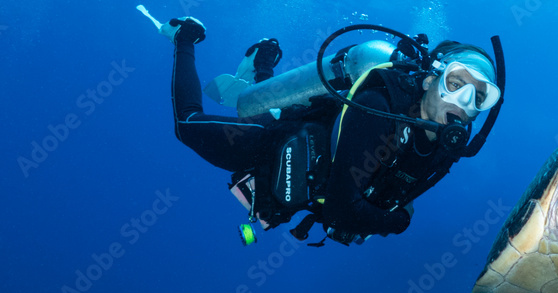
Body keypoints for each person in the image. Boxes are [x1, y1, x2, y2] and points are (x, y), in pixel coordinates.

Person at [164, 16, 503, 245]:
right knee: (187, 125)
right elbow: (344, 209)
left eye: (480, 95)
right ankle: (184, 39)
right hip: (272, 143)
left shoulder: (448, 145)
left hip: (308, 178)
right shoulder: (380, 102)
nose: (464, 101)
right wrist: (397, 222)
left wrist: (382, 213)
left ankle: (263, 63)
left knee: (262, 104)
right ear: (431, 79)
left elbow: (391, 197)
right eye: (456, 82)